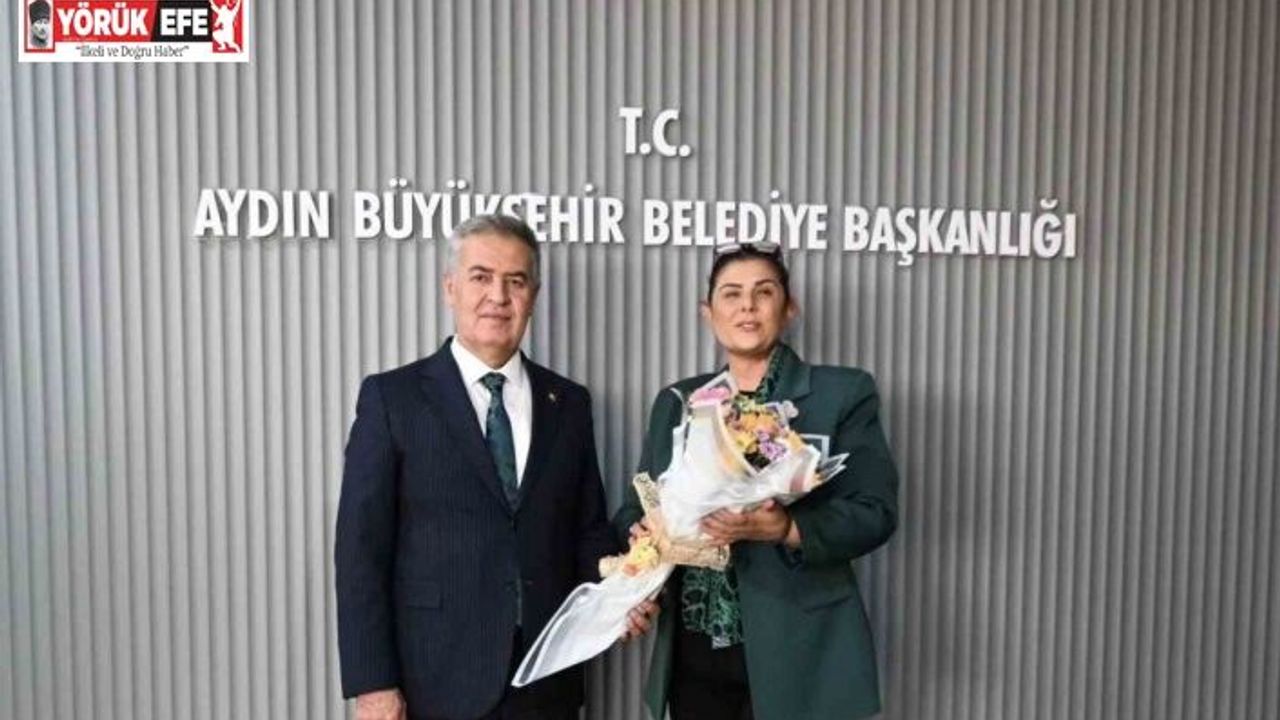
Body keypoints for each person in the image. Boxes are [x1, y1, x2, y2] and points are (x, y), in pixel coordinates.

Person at [335, 214, 619, 720]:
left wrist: (623, 591)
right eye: (481, 277)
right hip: (433, 683)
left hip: (546, 683)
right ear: (451, 287)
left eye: (516, 281)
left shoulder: (568, 403)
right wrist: (374, 684)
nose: (498, 296)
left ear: (534, 295)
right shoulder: (393, 399)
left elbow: (588, 531)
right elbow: (361, 551)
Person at [615, 242, 899, 720]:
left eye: (763, 292)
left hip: (799, 648)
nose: (746, 305)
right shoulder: (679, 401)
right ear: (708, 313)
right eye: (731, 294)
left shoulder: (841, 393)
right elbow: (636, 506)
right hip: (694, 649)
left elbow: (875, 513)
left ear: (788, 308)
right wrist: (640, 533)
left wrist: (787, 529)